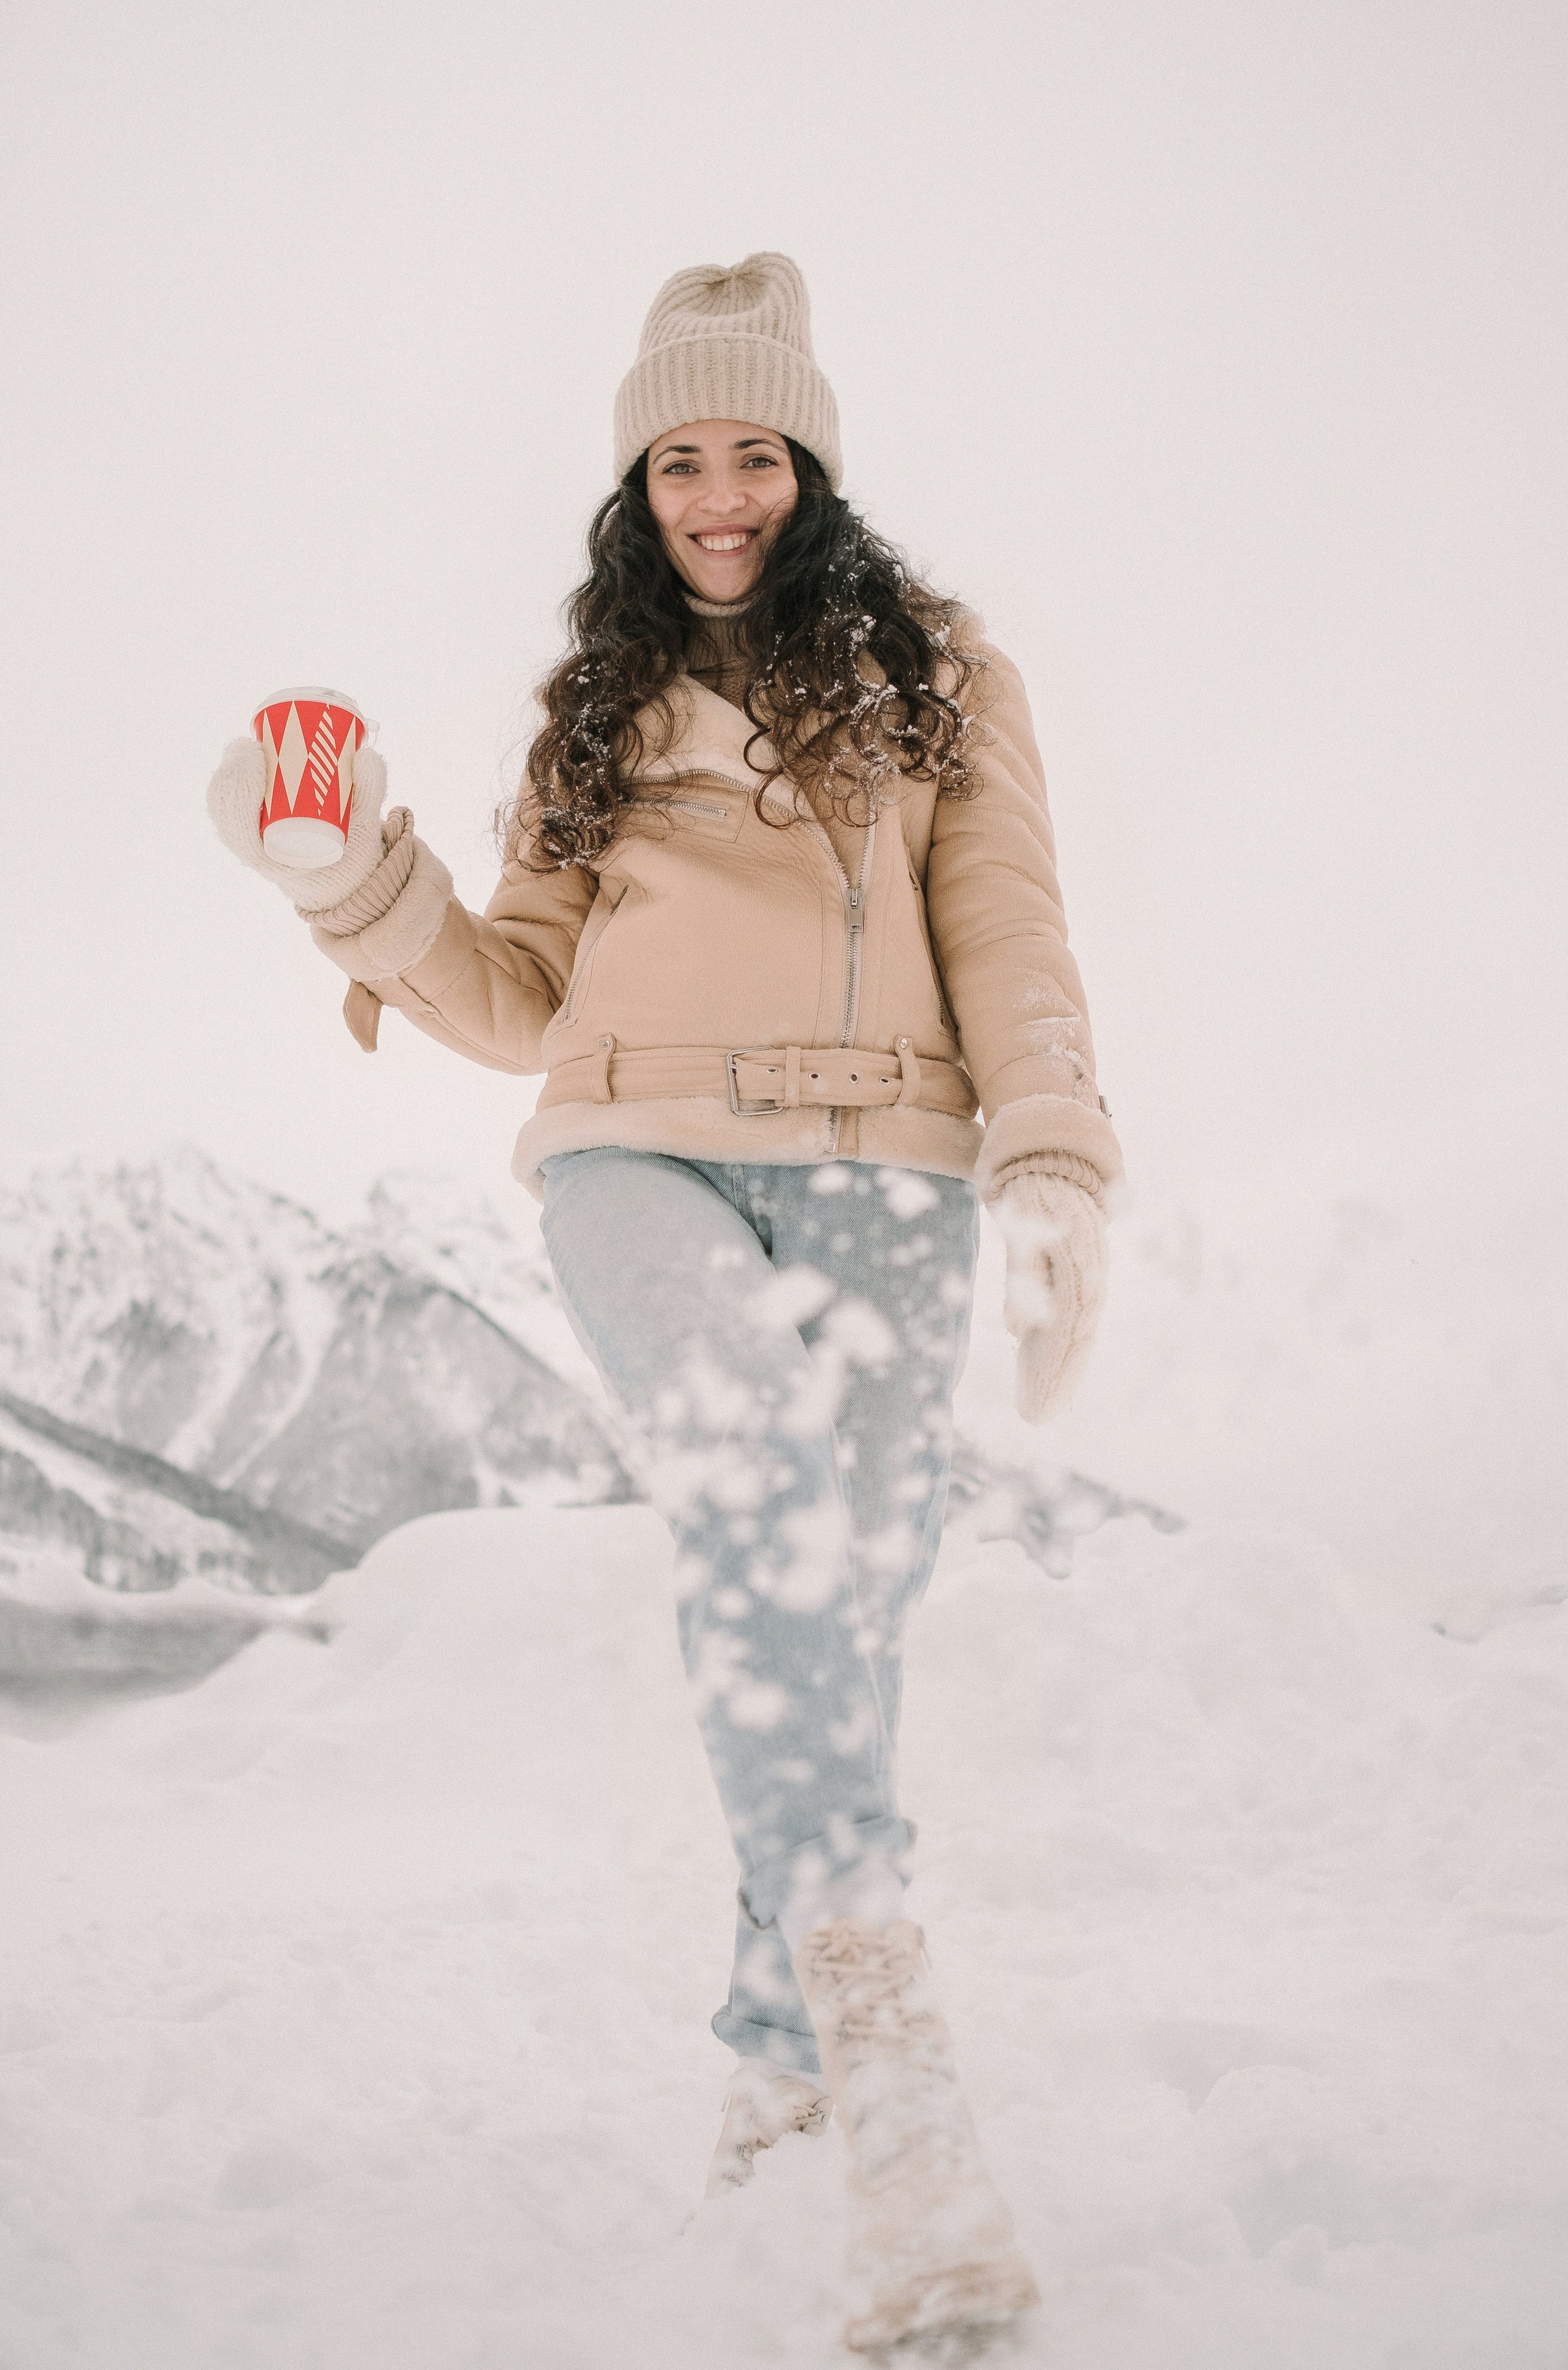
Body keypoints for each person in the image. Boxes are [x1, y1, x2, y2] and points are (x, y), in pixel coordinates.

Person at [208, 252, 1123, 2355]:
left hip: (892, 1161)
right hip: (638, 1147)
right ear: (637, 484)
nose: (720, 493)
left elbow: (1005, 916)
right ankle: (893, 2063)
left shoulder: (943, 671)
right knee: (760, 1496)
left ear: (813, 462)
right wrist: (349, 878)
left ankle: (772, 2058)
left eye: (756, 451)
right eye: (679, 458)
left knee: (847, 1590)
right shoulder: (593, 713)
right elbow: (521, 994)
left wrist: (1052, 1143)